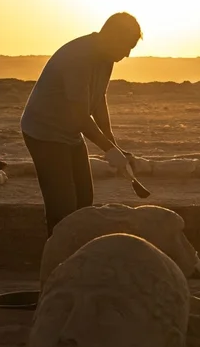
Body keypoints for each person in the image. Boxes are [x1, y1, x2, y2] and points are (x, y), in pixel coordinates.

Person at [20, 12, 143, 232]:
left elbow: (97, 100)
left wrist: (113, 144)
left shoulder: (107, 56)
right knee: (63, 206)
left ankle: (77, 251)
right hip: (44, 132)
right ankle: (58, 258)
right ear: (112, 37)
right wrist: (108, 150)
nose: (127, 54)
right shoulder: (79, 57)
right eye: (127, 47)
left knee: (84, 199)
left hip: (70, 131)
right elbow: (79, 116)